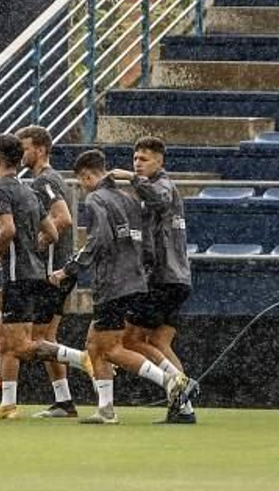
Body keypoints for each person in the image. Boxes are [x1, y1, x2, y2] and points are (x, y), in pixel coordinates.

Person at [52, 150, 190, 425]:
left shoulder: (96, 200)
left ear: (88, 176)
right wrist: (140, 270)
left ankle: (173, 381)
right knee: (95, 343)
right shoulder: (128, 200)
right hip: (135, 281)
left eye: (82, 181)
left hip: (112, 283)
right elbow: (146, 245)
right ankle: (106, 409)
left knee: (114, 348)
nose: (83, 187)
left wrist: (69, 269)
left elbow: (98, 240)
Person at [115, 136, 197, 424]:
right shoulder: (150, 190)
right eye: (135, 159)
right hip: (176, 278)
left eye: (144, 159)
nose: (137, 164)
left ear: (160, 161)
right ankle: (184, 407)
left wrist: (130, 179)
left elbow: (159, 199)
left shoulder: (162, 186)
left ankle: (179, 384)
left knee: (130, 339)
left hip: (163, 278)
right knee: (160, 341)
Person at [0, 134, 55, 419]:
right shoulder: (29, 191)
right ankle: (8, 403)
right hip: (33, 273)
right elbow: (53, 232)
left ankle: (80, 358)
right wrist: (33, 251)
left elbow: (7, 230)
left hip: (16, 275)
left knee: (19, 344)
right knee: (2, 338)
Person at [17, 125, 91, 417]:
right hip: (56, 269)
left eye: (25, 147)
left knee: (35, 340)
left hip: (51, 270)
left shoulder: (45, 180)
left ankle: (86, 367)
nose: (21, 154)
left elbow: (63, 218)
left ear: (41, 149)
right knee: (45, 336)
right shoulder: (45, 180)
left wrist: (35, 244)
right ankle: (65, 400)